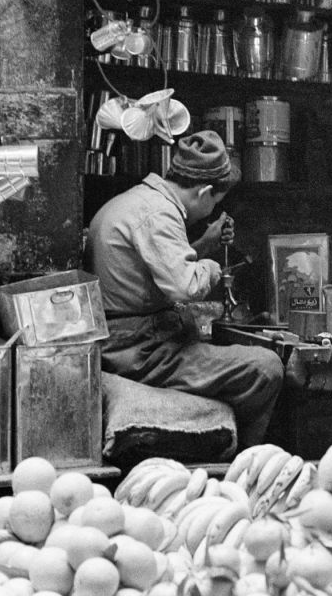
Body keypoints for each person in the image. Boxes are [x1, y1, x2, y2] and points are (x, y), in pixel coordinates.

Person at [85, 130, 284, 449]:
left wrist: (205, 244)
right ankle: (242, 461)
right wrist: (213, 268)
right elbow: (185, 286)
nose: (212, 208)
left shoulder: (140, 201)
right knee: (266, 366)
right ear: (205, 191)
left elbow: (154, 269)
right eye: (215, 202)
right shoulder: (159, 214)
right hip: (138, 352)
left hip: (131, 341)